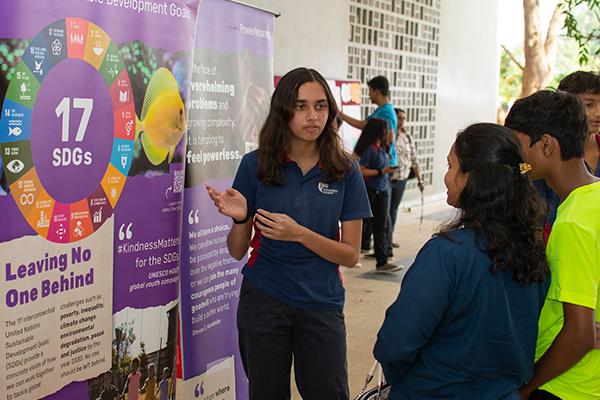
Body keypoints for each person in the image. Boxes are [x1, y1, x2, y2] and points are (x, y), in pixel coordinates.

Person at [206, 67, 372, 399]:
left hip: (321, 302)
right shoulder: (255, 165)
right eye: (301, 106)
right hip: (264, 299)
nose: (313, 116)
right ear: (284, 111)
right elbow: (237, 251)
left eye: (321, 106)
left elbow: (351, 255)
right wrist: (242, 220)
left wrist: (299, 234)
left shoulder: (345, 169)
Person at [374, 123, 550, 399]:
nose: (446, 177)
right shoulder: (532, 251)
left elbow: (396, 342)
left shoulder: (446, 254)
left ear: (472, 178)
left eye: (450, 167)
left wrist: (408, 380)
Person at [505, 89, 600, 400]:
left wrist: (528, 388)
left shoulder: (573, 222)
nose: (517, 162)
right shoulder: (594, 199)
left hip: (565, 386)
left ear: (545, 145)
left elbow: (580, 336)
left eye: (518, 149)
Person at [533, 71, 600, 240]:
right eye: (589, 105)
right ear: (566, 109)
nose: (598, 113)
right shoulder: (547, 154)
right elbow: (537, 224)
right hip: (559, 246)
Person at [353, 117, 402, 272]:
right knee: (361, 224)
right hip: (369, 191)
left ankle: (382, 262)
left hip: (382, 191)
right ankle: (351, 255)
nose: (389, 132)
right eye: (386, 129)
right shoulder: (369, 149)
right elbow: (360, 170)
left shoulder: (383, 149)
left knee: (381, 226)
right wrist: (381, 171)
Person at [386, 108, 424, 252]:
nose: (401, 121)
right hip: (389, 178)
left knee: (393, 210)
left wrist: (420, 180)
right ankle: (384, 240)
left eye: (403, 118)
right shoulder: (389, 135)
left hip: (402, 178)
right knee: (386, 211)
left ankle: (389, 238)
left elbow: (414, 159)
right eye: (399, 118)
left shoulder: (407, 137)